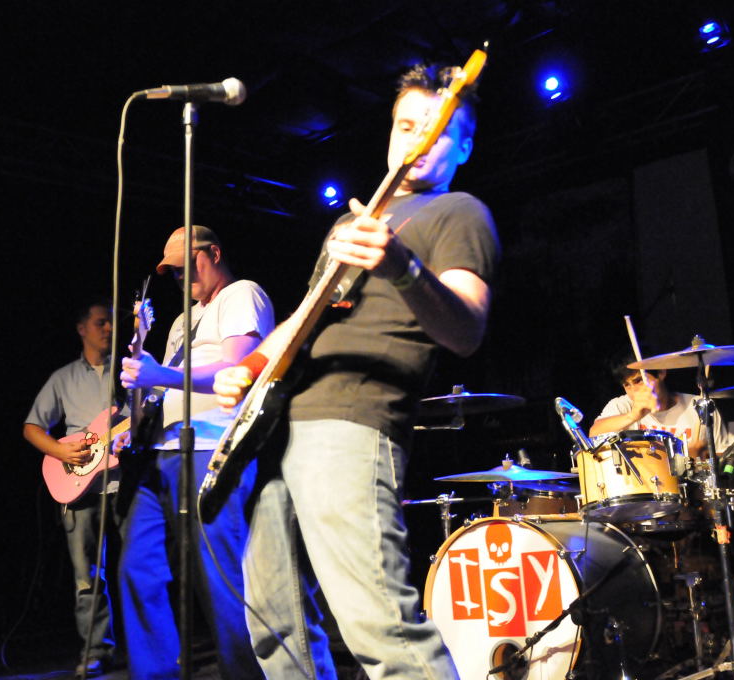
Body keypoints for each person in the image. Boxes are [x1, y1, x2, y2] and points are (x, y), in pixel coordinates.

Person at [213, 63, 498, 679]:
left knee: (381, 626)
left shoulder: (460, 212)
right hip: (281, 422)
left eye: (436, 131)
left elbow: (467, 329)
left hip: (352, 421)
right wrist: (252, 366)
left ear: (463, 146)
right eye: (405, 126)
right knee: (275, 624)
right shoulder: (349, 224)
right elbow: (304, 317)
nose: (416, 140)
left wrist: (402, 266)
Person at [117, 225, 272, 680]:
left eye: (187, 266)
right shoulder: (182, 322)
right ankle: (154, 673)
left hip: (212, 445)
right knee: (137, 565)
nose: (182, 277)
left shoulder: (241, 294)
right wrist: (133, 423)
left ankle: (245, 673)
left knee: (217, 573)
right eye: (174, 272)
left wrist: (159, 374)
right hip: (161, 450)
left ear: (214, 253)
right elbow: (162, 387)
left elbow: (238, 366)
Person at [588, 357, 734, 664]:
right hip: (641, 510)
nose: (634, 389)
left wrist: (699, 455)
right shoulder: (622, 406)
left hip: (694, 505)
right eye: (628, 384)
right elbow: (594, 432)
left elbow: (717, 459)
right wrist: (635, 414)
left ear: (661, 372)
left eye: (640, 380)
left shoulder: (698, 406)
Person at [23, 299, 123, 678]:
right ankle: (96, 651)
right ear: (82, 329)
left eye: (111, 322)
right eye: (100, 323)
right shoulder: (63, 378)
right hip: (79, 487)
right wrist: (60, 450)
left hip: (125, 483)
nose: (109, 328)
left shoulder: (127, 372)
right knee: (87, 578)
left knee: (141, 568)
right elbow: (32, 427)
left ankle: (154, 645)